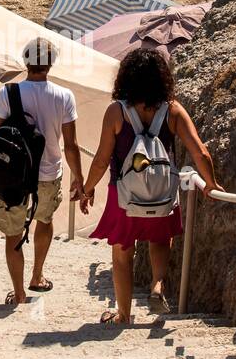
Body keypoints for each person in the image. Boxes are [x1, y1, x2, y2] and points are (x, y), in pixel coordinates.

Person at [80, 48, 221, 325]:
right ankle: (158, 284)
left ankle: (123, 315)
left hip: (124, 195)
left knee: (123, 253)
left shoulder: (116, 111)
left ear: (126, 78)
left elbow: (100, 160)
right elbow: (200, 153)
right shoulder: (173, 110)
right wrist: (211, 184)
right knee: (159, 238)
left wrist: (87, 188)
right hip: (161, 193)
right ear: (162, 78)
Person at [0, 37, 84, 306]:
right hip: (49, 173)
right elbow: (71, 146)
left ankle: (18, 294)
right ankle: (37, 276)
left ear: (26, 62)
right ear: (50, 63)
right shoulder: (64, 96)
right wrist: (79, 178)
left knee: (13, 233)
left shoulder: (8, 93)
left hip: (13, 177)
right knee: (45, 221)